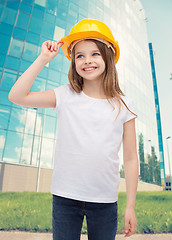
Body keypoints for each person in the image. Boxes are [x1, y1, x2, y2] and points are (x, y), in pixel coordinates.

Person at [9, 19, 139, 240]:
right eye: (80, 55)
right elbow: (17, 96)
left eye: (95, 54)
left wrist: (130, 206)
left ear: (108, 56)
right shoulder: (65, 95)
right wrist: (43, 59)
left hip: (105, 201)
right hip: (65, 198)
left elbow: (130, 159)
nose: (87, 61)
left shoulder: (124, 105)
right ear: (73, 62)